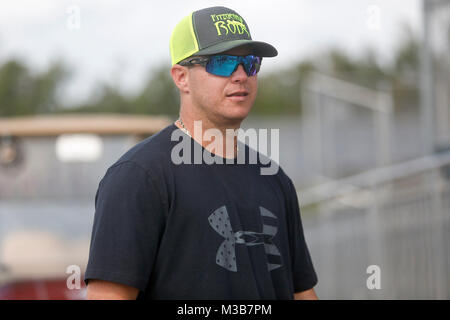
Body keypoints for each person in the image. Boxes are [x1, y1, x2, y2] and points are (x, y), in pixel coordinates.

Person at [84, 6, 318, 300]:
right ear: (181, 77)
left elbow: (301, 292)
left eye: (250, 63)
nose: (241, 75)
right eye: (222, 63)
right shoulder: (140, 176)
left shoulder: (273, 178)